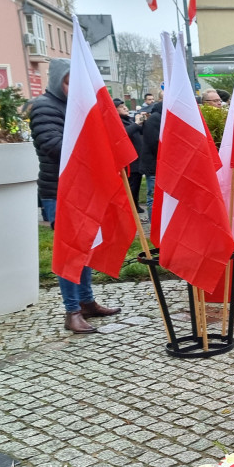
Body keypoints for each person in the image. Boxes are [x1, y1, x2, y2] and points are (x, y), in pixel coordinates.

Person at [30, 58, 121, 334]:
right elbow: (53, 145)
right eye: (69, 82)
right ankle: (72, 311)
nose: (73, 87)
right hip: (60, 192)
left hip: (83, 190)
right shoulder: (44, 106)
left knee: (85, 248)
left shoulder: (76, 105)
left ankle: (86, 301)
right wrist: (96, 148)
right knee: (70, 252)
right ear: (58, 81)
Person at [115, 98, 145, 215]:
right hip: (129, 160)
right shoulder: (118, 122)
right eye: (122, 107)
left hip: (137, 157)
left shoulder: (128, 120)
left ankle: (135, 204)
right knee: (131, 184)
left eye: (125, 106)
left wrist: (142, 121)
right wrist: (137, 123)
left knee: (136, 183)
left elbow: (139, 131)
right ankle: (130, 207)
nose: (126, 108)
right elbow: (123, 134)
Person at [140, 92, 163, 219]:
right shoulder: (155, 119)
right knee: (152, 195)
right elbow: (155, 142)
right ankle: (153, 221)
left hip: (156, 163)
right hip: (153, 164)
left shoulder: (157, 117)